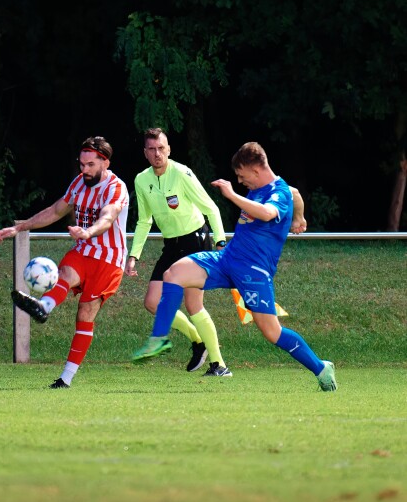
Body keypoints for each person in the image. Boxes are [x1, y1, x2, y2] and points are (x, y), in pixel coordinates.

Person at [131, 142, 337, 392]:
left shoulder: (277, 193)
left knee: (272, 333)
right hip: (228, 259)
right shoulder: (272, 187)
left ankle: (320, 367)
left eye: (242, 175)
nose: (240, 181)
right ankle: (159, 338)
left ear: (255, 170)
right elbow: (296, 193)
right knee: (173, 273)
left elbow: (266, 213)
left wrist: (232, 195)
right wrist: (299, 217)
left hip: (254, 271)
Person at [0, 136, 129, 388]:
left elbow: (108, 217)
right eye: (81, 164)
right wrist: (20, 228)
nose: (84, 170)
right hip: (84, 249)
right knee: (65, 272)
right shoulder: (79, 183)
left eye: (90, 165)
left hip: (109, 259)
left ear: (105, 163)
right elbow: (56, 210)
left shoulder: (115, 187)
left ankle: (66, 378)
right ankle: (44, 306)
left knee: (85, 314)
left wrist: (89, 232)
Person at [125, 127, 232, 376]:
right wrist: (133, 255)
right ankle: (198, 340)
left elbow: (211, 208)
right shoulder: (141, 180)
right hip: (171, 245)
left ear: (169, 149)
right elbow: (144, 221)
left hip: (196, 240)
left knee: (194, 305)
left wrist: (220, 242)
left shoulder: (182, 173)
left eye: (161, 148)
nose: (157, 153)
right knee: (152, 302)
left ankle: (219, 365)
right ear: (145, 153)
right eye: (151, 149)